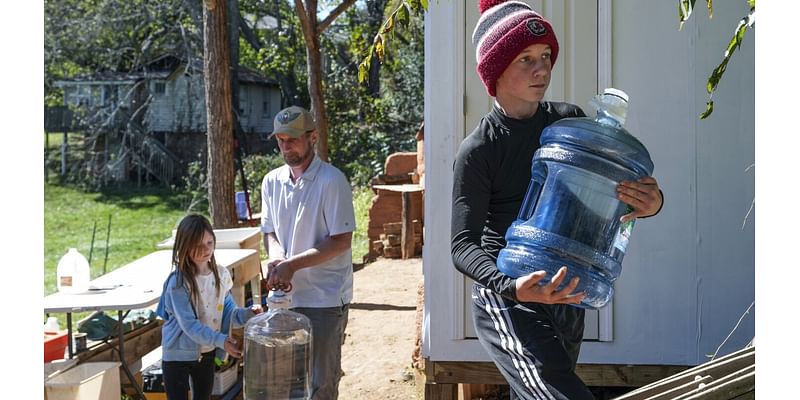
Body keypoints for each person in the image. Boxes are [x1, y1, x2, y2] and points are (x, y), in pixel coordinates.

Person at [451, 1, 665, 399]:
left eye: (546, 56)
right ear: (495, 69)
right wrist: (511, 286)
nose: (542, 69)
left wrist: (648, 203)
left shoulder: (568, 124)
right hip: (510, 296)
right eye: (526, 59)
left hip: (567, 291)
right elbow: (462, 246)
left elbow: (602, 204)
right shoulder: (480, 149)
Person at [260, 105, 356, 400]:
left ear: (312, 137)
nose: (285, 147)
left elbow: (341, 241)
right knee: (287, 383)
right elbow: (270, 230)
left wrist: (292, 265)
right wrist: (277, 259)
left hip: (324, 298)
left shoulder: (332, 181)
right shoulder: (271, 181)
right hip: (286, 300)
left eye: (292, 139)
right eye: (280, 140)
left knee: (321, 384)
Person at [156, 214, 262, 400]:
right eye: (198, 245)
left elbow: (230, 315)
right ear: (184, 246)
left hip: (207, 353)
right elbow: (189, 325)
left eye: (209, 243)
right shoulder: (178, 283)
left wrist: (248, 314)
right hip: (177, 357)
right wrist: (222, 340)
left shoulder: (221, 275)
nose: (205, 250)